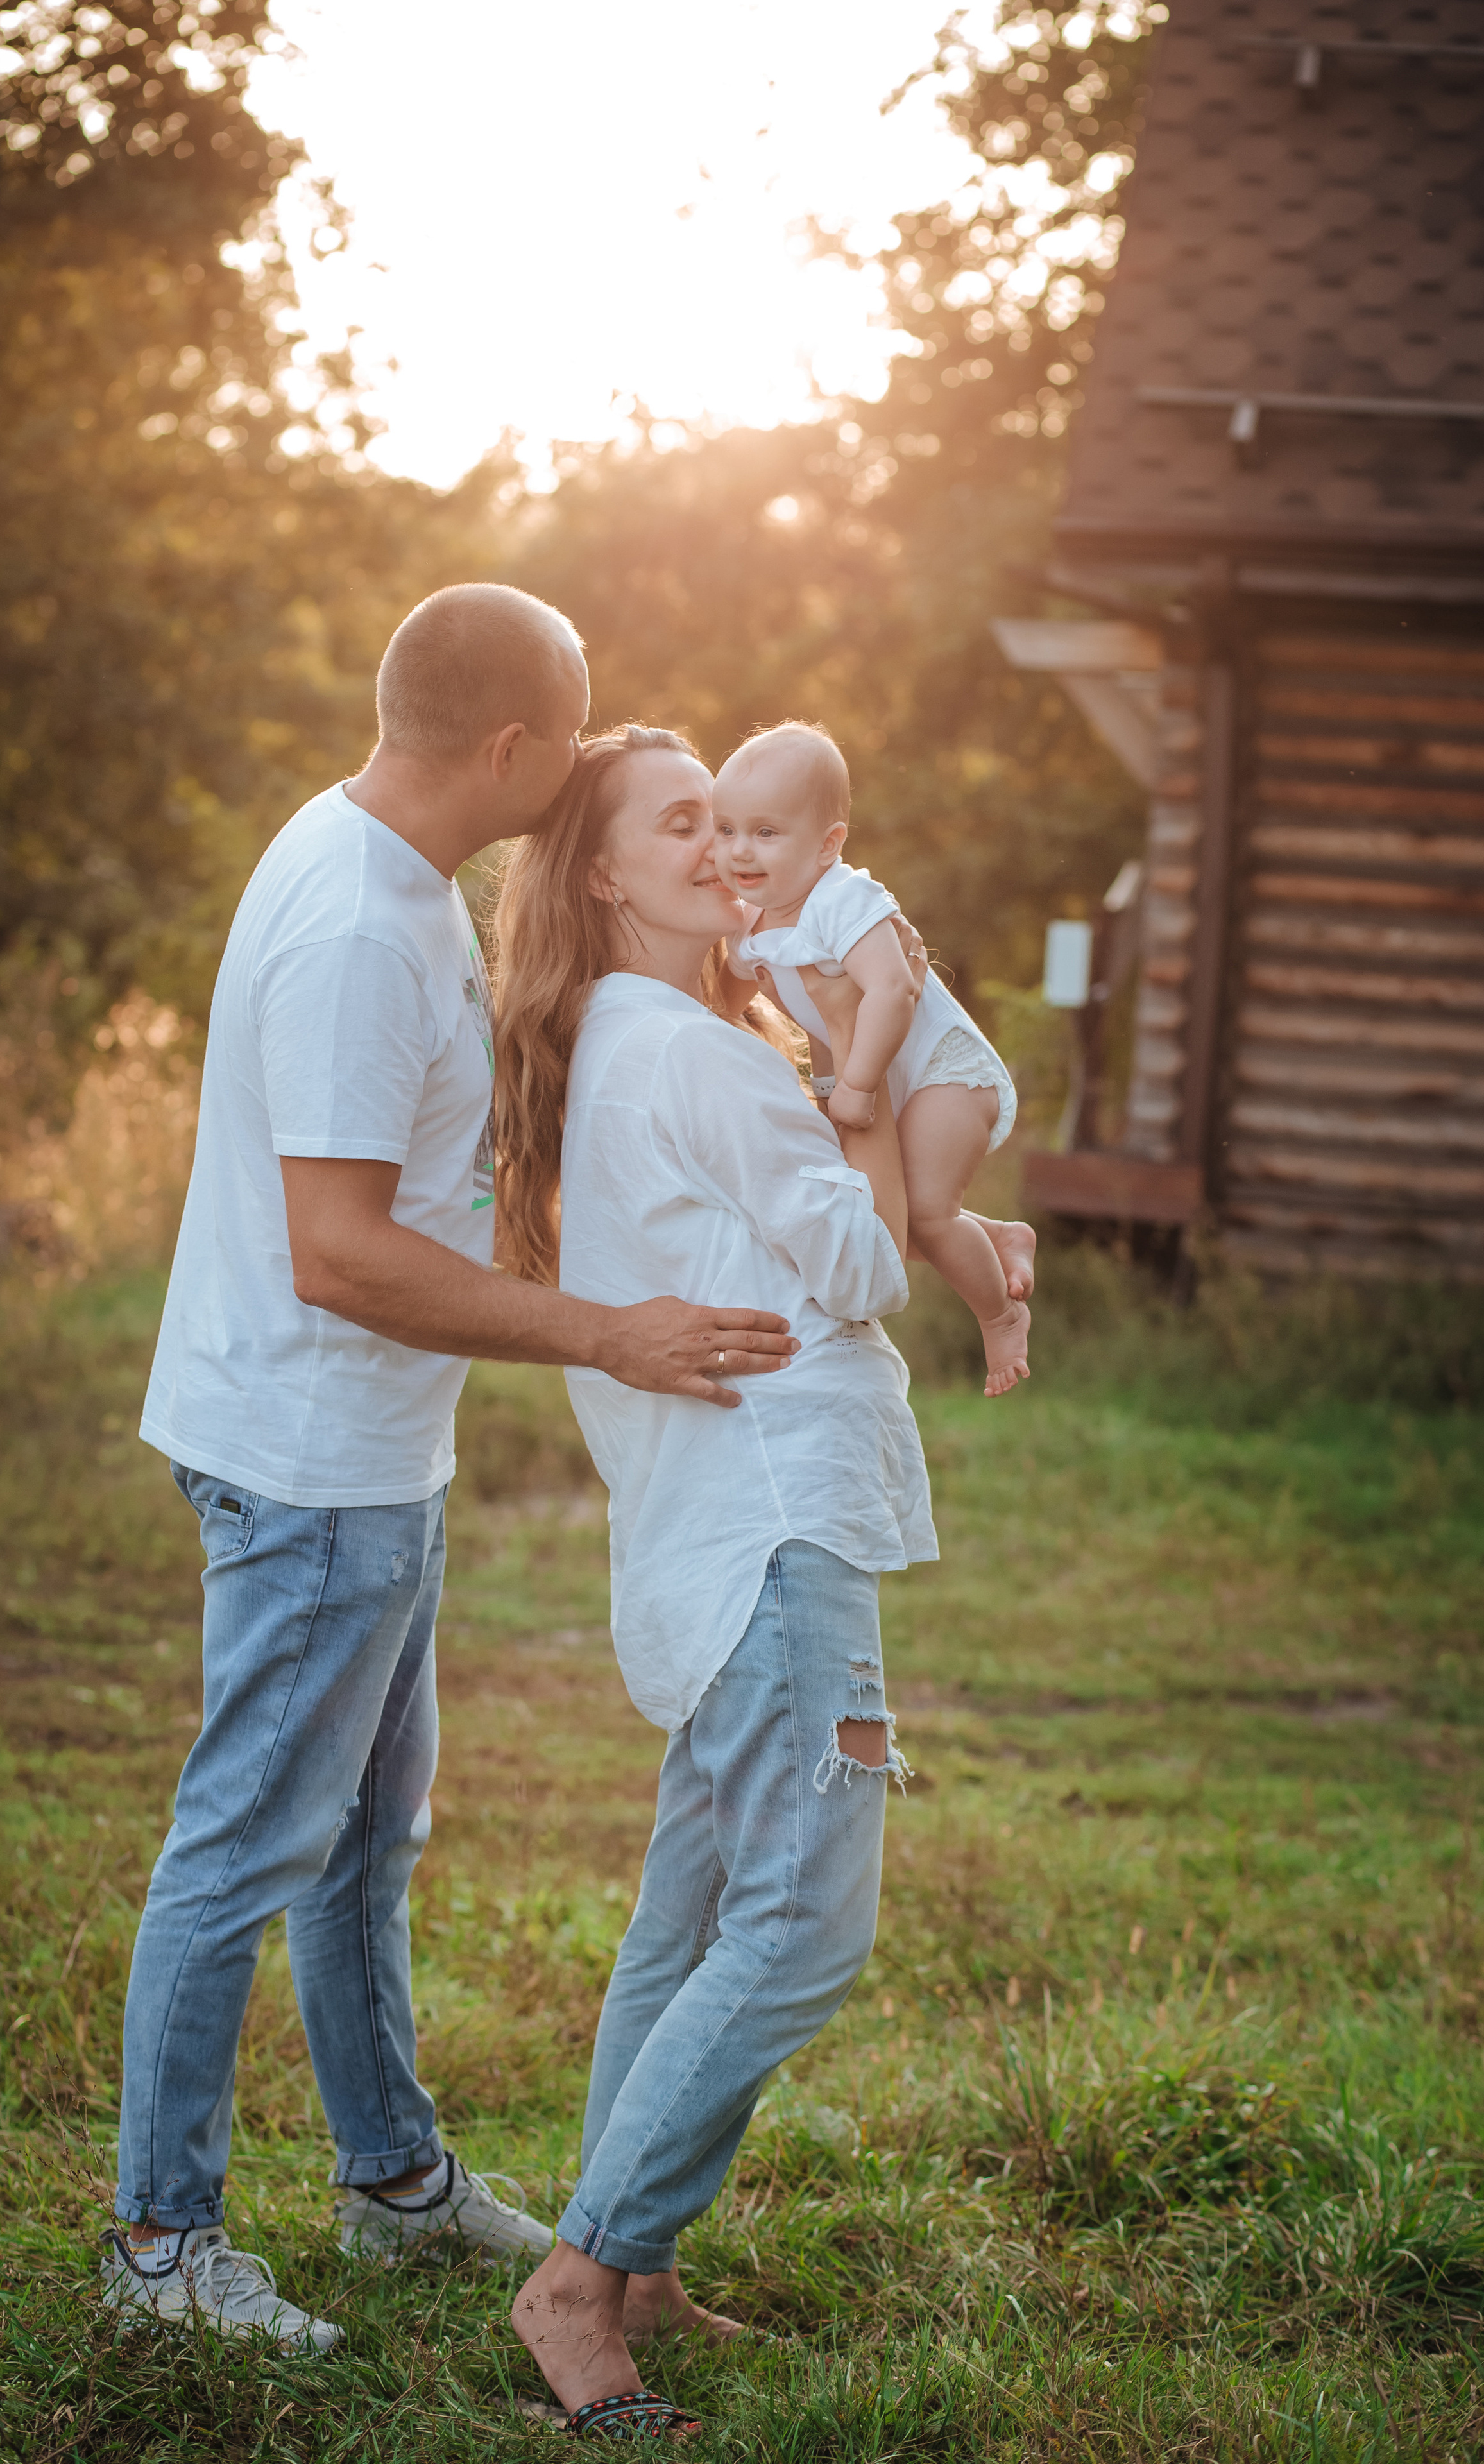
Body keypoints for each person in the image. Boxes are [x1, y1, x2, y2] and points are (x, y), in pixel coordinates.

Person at [103, 590, 799, 2354]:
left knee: (360, 1848)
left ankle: (393, 2181)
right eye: (569, 743)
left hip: (371, 1452)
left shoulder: (380, 874)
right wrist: (604, 1333)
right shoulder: (355, 924)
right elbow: (335, 1251)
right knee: (246, 1846)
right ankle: (159, 2249)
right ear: (512, 753)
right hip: (309, 1460)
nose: (575, 774)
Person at [490, 724, 938, 2439]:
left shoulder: (624, 1039)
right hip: (775, 1525)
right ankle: (583, 2276)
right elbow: (867, 1264)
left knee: (688, 1924)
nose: (719, 847)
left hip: (702, 1536)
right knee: (808, 1922)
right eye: (678, 825)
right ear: (604, 874)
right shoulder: (697, 1054)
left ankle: (646, 2268)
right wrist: (866, 1071)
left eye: (726, 821)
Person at [715, 721, 1036, 1399]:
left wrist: (855, 1084)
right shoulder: (754, 924)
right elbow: (726, 995)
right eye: (726, 829)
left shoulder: (843, 900)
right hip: (891, 1080)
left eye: (766, 833)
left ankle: (1001, 1315)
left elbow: (896, 987)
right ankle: (1002, 1238)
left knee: (926, 1208)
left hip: (943, 1070)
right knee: (905, 1212)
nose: (740, 850)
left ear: (828, 844)